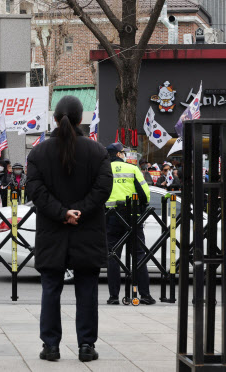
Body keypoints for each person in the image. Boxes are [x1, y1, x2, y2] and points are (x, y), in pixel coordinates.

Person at [26, 95, 113, 363]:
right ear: (80, 119)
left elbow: (35, 190)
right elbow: (103, 189)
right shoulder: (97, 151)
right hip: (87, 230)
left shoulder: (38, 152)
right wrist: (80, 211)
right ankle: (86, 345)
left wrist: (61, 213)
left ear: (55, 119)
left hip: (52, 231)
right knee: (87, 288)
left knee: (51, 288)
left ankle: (50, 346)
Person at [105, 142, 155, 306]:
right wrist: (143, 207)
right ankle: (145, 295)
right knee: (139, 254)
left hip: (111, 216)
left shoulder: (104, 170)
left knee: (113, 255)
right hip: (132, 215)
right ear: (119, 154)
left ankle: (113, 297)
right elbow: (144, 193)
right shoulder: (132, 169)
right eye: (123, 152)